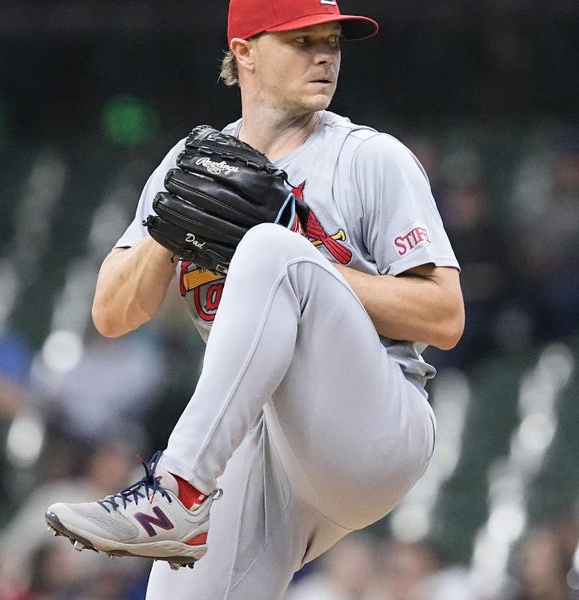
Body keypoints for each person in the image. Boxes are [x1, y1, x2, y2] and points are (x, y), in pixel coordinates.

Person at [45, 0, 464, 598]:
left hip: (373, 427)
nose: (324, 55)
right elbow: (112, 314)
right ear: (243, 52)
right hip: (264, 445)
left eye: (333, 41)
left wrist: (302, 258)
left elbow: (446, 316)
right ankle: (183, 498)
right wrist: (169, 229)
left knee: (268, 248)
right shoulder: (191, 164)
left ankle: (178, 492)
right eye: (301, 40)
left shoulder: (368, 158)